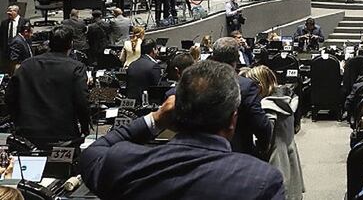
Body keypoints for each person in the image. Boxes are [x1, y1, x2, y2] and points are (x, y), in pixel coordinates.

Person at [80, 60, 285, 200]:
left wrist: (155, 118)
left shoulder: (124, 164)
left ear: (174, 113)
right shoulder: (261, 181)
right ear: (233, 120)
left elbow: (92, 153)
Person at [7, 26, 90, 149]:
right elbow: (82, 101)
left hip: (27, 134)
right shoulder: (76, 67)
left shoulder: (26, 65)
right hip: (63, 135)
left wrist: (18, 122)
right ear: (71, 44)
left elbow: (9, 98)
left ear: (49, 43)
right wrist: (85, 127)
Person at [244, 65, 304, 200]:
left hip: (275, 160)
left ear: (259, 86)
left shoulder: (268, 107)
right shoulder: (286, 100)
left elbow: (266, 139)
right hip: (288, 154)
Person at [211, 37, 273, 157]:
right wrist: (263, 147)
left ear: (213, 58)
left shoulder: (198, 82)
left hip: (203, 152)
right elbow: (260, 124)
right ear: (237, 58)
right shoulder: (246, 86)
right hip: (238, 153)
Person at [126, 39, 162, 103]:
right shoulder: (154, 66)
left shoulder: (132, 64)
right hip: (148, 102)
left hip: (132, 102)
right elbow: (157, 88)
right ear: (153, 50)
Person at [0, 6, 28, 71]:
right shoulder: (4, 23)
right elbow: (1, 37)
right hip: (7, 51)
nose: (8, 13)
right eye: (8, 11)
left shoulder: (24, 21)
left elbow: (27, 36)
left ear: (16, 12)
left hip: (19, 49)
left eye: (10, 11)